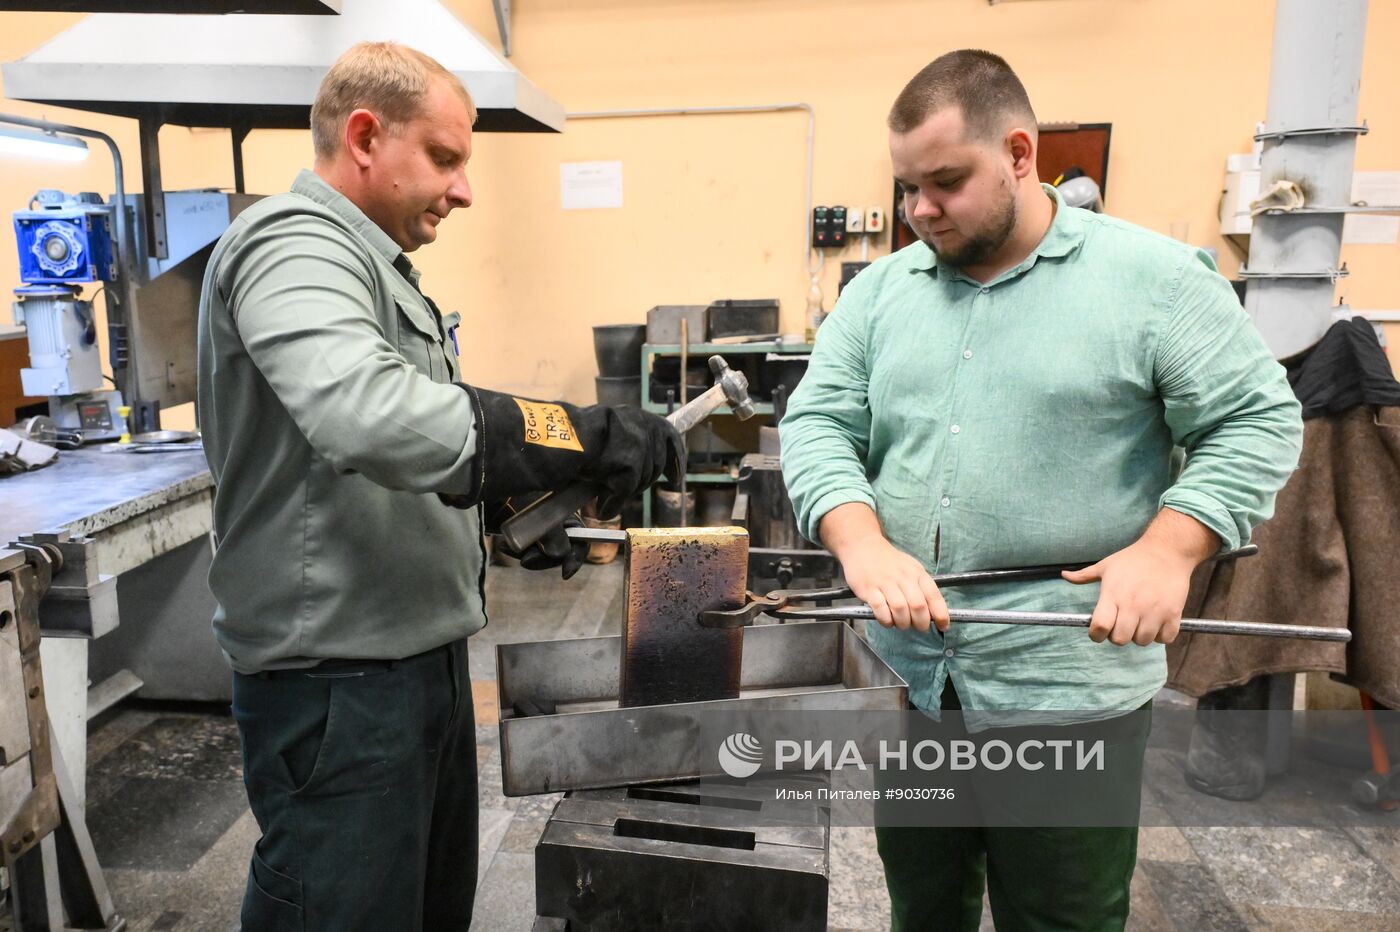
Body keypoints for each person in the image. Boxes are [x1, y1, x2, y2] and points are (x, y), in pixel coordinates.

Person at [780, 49, 1302, 930]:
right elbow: (817, 422)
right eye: (907, 188)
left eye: (946, 182)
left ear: (1019, 154)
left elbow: (1257, 421)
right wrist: (860, 541)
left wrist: (1170, 548)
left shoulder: (1156, 282)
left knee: (1061, 915)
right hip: (917, 678)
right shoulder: (880, 294)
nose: (919, 211)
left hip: (1067, 692)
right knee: (924, 905)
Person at [196, 42, 678, 930]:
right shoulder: (289, 244)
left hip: (420, 661)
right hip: (338, 684)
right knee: (344, 913)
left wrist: (504, 509)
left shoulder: (374, 270)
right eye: (445, 158)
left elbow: (401, 457)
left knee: (425, 909)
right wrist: (571, 434)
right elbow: (365, 414)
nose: (464, 191)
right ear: (364, 137)